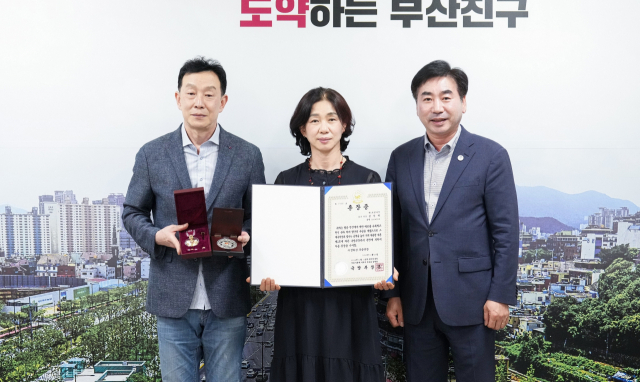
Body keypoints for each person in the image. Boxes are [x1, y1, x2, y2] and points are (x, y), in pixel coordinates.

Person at [122, 57, 266, 382]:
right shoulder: (152, 154)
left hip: (226, 297)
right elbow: (132, 212)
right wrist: (158, 236)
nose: (199, 102)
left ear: (222, 102)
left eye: (209, 94)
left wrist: (246, 235)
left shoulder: (247, 155)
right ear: (178, 99)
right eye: (191, 93)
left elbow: (258, 216)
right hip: (172, 298)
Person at [383, 60, 518, 382]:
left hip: (473, 301)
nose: (437, 107)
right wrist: (393, 293)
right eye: (427, 98)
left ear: (463, 102)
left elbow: (506, 233)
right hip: (417, 302)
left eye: (446, 97)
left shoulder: (491, 155)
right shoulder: (401, 157)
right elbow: (392, 231)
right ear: (417, 106)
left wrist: (500, 296)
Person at [256, 87, 386, 382]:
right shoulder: (286, 181)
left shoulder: (368, 180)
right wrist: (267, 273)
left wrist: (383, 269)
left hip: (351, 308)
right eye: (314, 120)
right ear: (303, 129)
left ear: (344, 125)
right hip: (300, 309)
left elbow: (380, 247)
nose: (323, 128)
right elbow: (275, 246)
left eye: (332, 118)